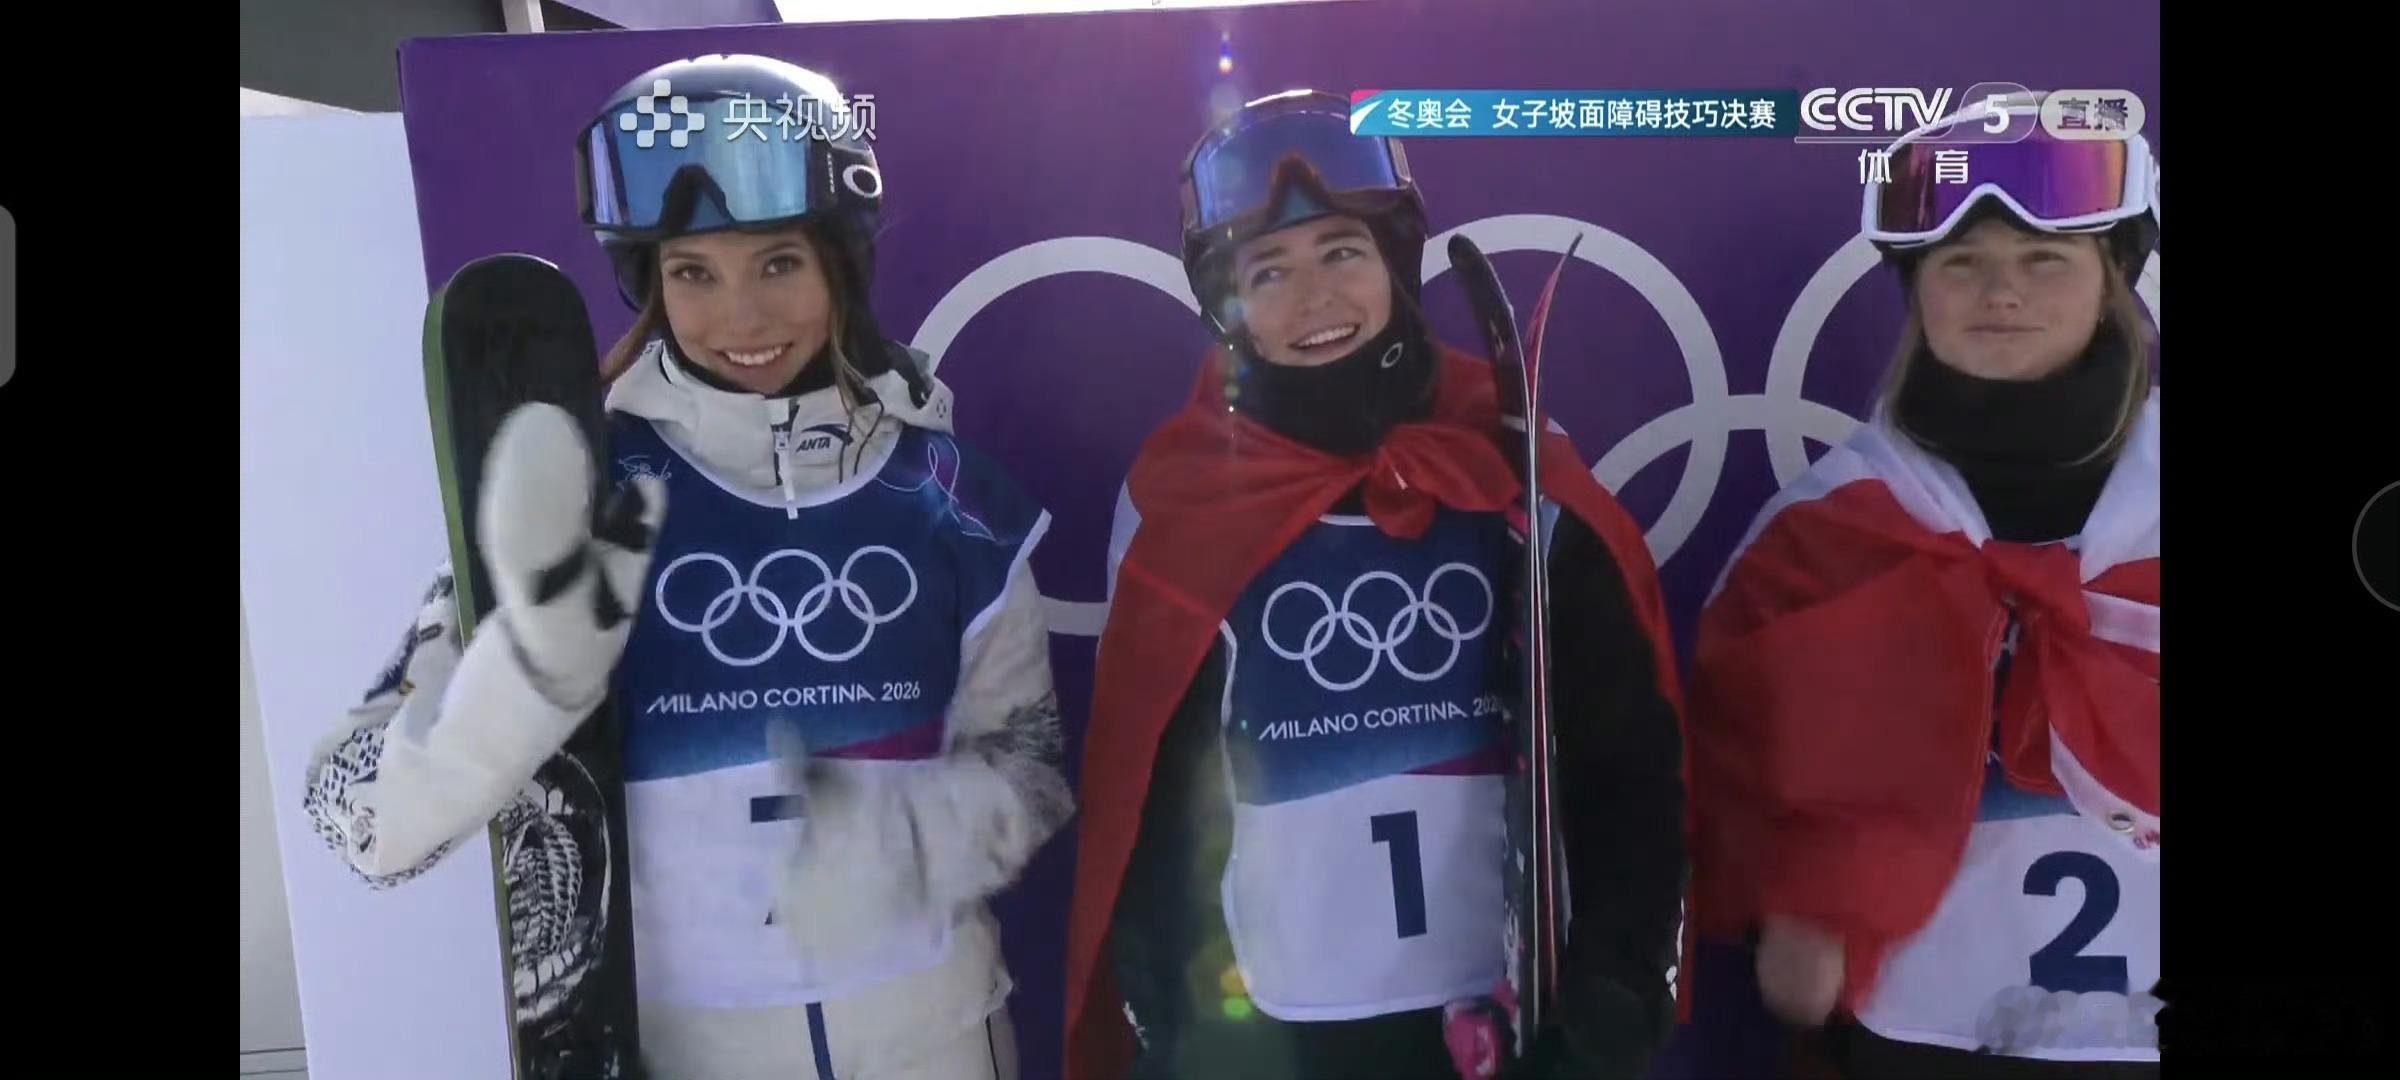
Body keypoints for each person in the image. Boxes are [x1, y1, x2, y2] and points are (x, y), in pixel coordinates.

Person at [301, 54, 1072, 1080]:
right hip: (693, 1051)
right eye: (693, 274)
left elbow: (1030, 764)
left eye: (778, 264)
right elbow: (361, 823)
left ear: (841, 264)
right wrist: (517, 690)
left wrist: (916, 843)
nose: (741, 319)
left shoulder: (956, 500)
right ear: (650, 283)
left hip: (941, 1040)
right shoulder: (579, 495)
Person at [1059, 89, 1689, 1080]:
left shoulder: (1516, 466)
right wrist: (1175, 1010)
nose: (1315, 299)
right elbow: (1151, 792)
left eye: (1341, 253)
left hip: (1516, 1010)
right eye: (1269, 272)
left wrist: (1623, 961)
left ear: (1395, 264)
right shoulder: (1180, 499)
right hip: (1281, 1026)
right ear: (1228, 308)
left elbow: (1625, 753)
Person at [1687, 98, 2160, 1079]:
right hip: (1922, 1038)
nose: (2002, 292)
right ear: (1917, 291)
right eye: (1961, 263)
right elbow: (1739, 775)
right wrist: (1796, 902)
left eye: (2045, 259)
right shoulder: (1826, 532)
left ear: (2113, 277)